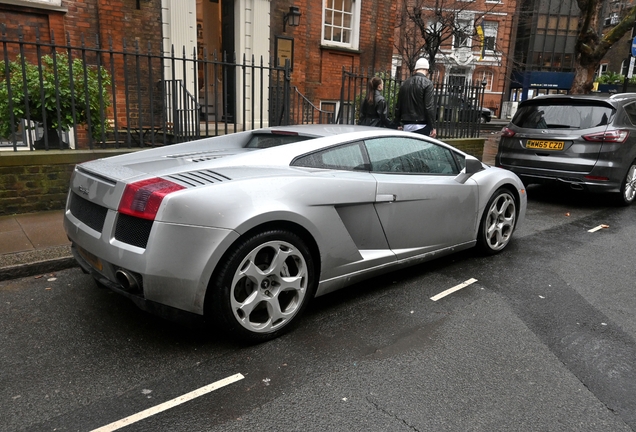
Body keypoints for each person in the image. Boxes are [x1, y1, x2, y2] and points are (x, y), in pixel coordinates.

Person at [394, 58, 437, 138]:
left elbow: (398, 105)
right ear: (426, 70)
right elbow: (429, 107)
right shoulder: (428, 83)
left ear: (416, 69)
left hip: (406, 125)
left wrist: (397, 123)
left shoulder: (405, 83)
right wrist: (433, 127)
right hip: (422, 125)